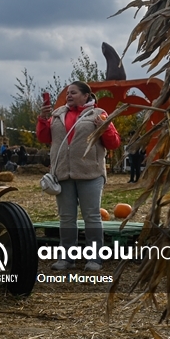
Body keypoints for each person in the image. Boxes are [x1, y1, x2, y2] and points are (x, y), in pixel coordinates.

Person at [36, 81, 121, 272]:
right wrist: (43, 118)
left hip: (90, 173)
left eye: (73, 93)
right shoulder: (57, 115)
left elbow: (114, 143)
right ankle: (67, 258)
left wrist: (104, 127)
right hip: (63, 173)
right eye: (67, 94)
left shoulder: (98, 114)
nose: (69, 96)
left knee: (92, 216)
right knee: (66, 218)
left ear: (85, 95)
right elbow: (44, 138)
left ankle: (95, 258)